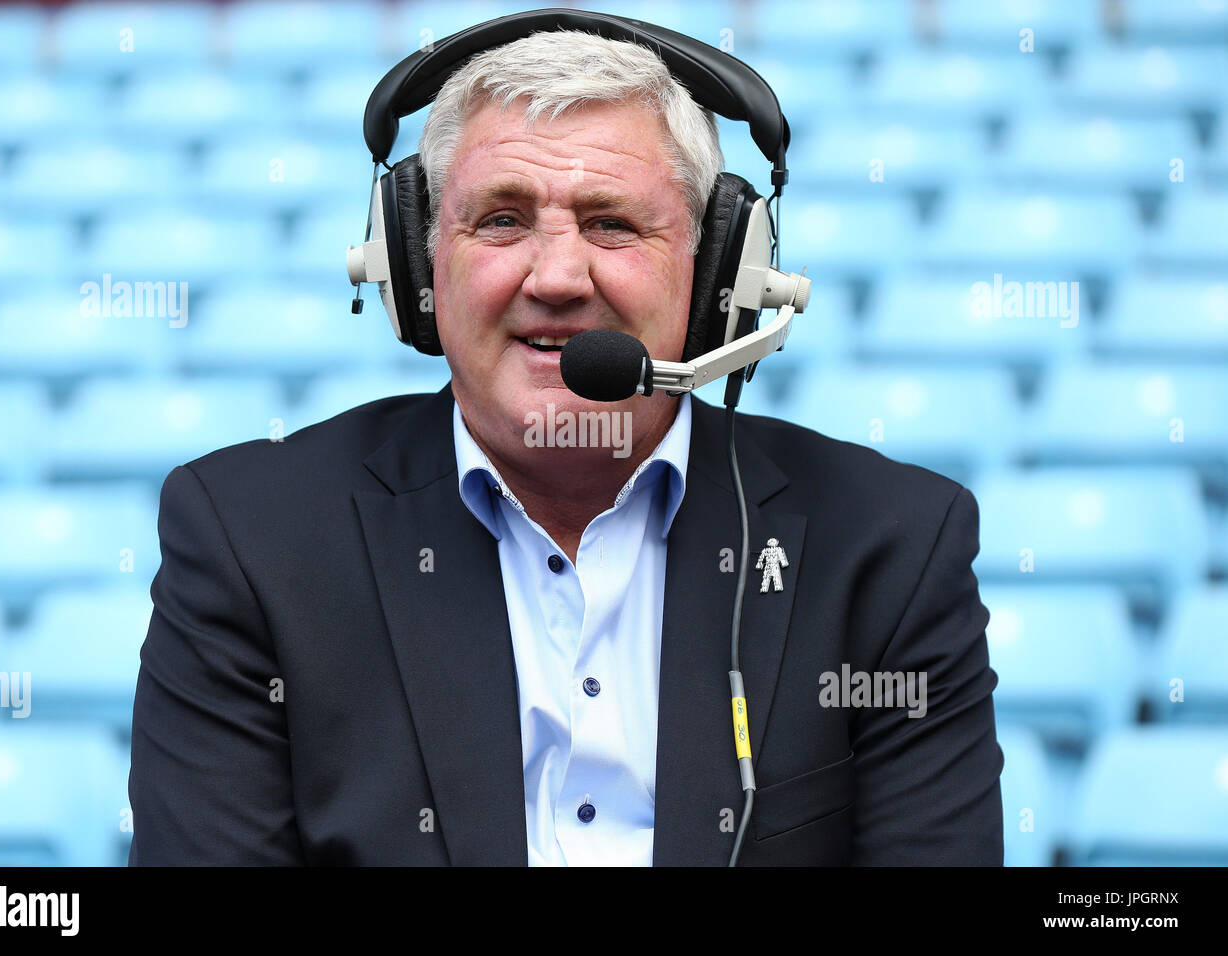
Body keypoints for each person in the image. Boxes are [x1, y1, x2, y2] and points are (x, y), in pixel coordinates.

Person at [129, 25, 1003, 866]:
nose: (555, 278)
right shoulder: (250, 540)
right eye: (502, 221)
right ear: (416, 265)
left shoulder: (892, 547)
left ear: (717, 276)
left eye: (612, 224)